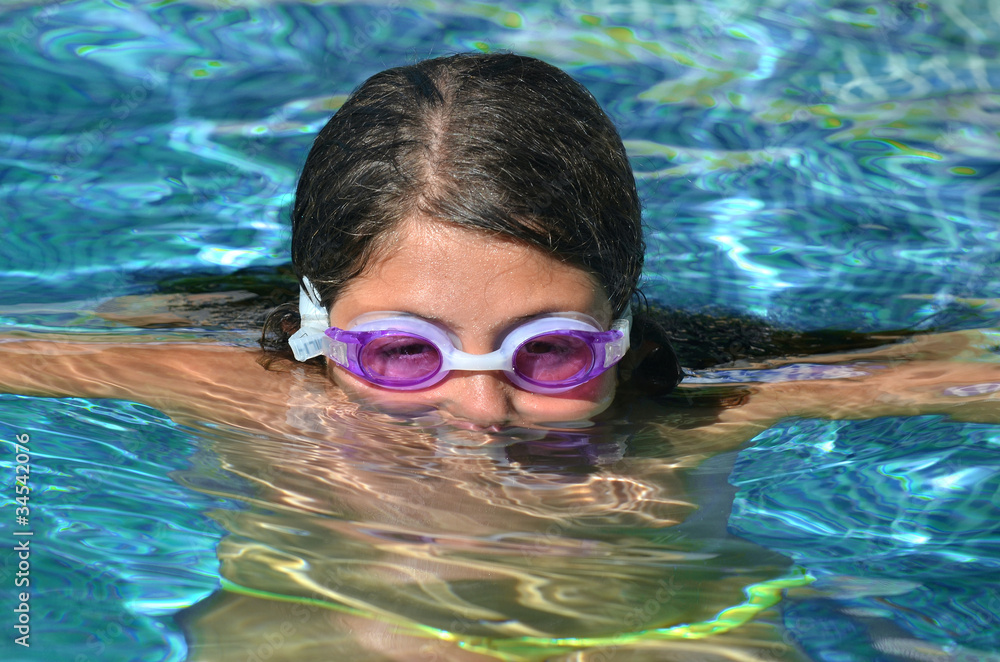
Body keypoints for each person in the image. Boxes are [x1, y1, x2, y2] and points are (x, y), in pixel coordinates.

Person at [3, 52, 999, 661]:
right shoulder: (257, 397)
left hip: (653, 633)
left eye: (549, 352)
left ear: (619, 324)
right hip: (339, 623)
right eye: (400, 352)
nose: (481, 409)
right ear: (315, 324)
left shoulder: (699, 407)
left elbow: (957, 370)